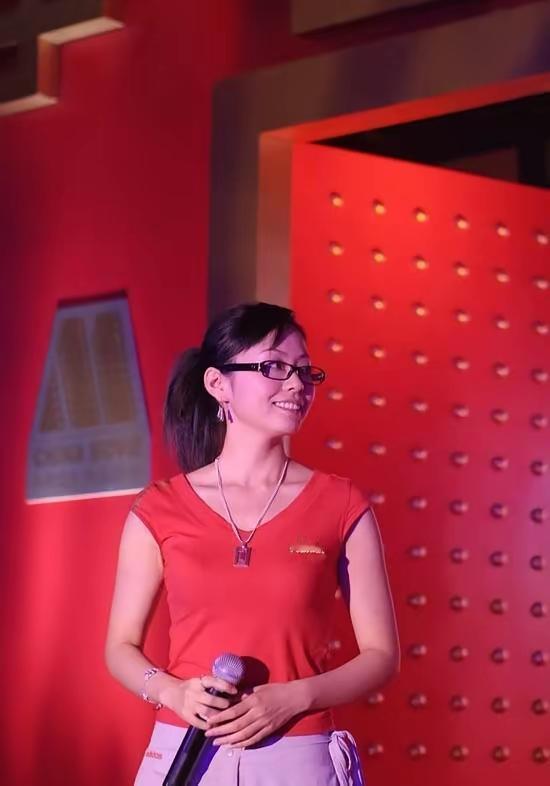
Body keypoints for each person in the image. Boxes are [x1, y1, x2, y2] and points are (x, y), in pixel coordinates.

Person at [105, 301, 400, 785]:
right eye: (274, 367)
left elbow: (381, 656)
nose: (296, 384)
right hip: (184, 753)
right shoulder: (158, 508)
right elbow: (120, 647)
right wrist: (172, 693)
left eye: (304, 371)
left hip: (298, 753)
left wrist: (294, 697)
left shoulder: (342, 503)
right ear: (218, 384)